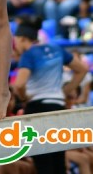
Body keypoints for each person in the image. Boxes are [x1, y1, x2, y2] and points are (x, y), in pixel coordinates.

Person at [12, 17, 87, 174]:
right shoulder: (56, 49)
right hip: (58, 108)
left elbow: (19, 84)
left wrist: (24, 97)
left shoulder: (28, 55)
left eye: (15, 41)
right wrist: (64, 92)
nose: (15, 45)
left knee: (44, 164)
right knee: (59, 161)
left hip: (37, 109)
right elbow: (82, 70)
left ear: (22, 39)